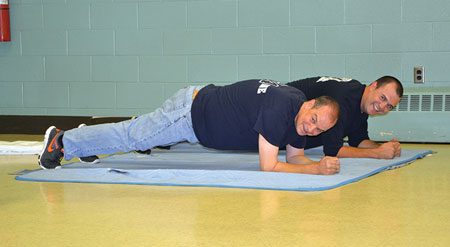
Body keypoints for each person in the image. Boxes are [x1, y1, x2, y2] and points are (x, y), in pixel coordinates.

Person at [38, 79, 341, 175]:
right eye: (313, 120)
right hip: (189, 114)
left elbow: (297, 157)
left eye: (318, 131)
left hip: (197, 107)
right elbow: (269, 166)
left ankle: (89, 143)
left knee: (140, 132)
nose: (311, 130)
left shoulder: (297, 109)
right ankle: (64, 141)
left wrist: (316, 162)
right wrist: (316, 169)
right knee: (135, 136)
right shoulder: (281, 107)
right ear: (311, 104)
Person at [287, 76, 403, 159]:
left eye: (389, 106)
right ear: (373, 86)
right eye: (383, 98)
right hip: (275, 125)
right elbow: (333, 151)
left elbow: (359, 141)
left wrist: (384, 148)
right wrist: (377, 153)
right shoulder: (342, 101)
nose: (382, 107)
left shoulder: (361, 100)